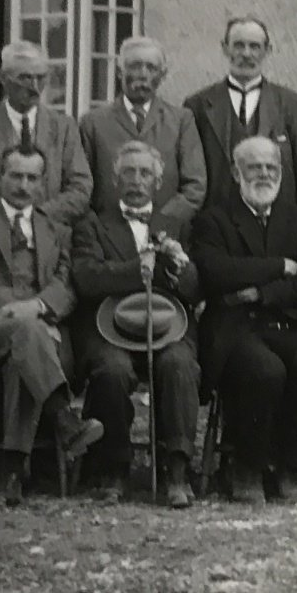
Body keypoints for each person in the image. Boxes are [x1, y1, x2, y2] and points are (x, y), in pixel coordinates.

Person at [0, 143, 105, 507]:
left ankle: (10, 474)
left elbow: (66, 285)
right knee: (29, 335)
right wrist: (18, 310)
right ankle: (64, 418)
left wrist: (38, 306)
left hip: (36, 333)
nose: (23, 185)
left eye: (32, 178)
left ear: (43, 184)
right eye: (15, 175)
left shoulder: (57, 230)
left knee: (24, 355)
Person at [190, 136, 297, 503]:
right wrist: (278, 266)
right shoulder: (214, 219)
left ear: (282, 172)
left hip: (291, 321)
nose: (264, 174)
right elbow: (216, 271)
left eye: (271, 167)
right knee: (266, 370)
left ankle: (292, 468)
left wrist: (260, 292)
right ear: (237, 173)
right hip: (237, 327)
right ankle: (247, 468)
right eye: (254, 167)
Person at [70, 142, 203, 508]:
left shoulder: (176, 224)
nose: (137, 181)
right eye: (128, 172)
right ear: (114, 180)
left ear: (158, 182)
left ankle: (177, 469)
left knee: (180, 364)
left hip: (166, 325)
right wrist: (137, 270)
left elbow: (196, 289)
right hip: (108, 326)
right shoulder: (92, 225)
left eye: (145, 173)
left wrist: (179, 268)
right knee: (111, 369)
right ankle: (115, 467)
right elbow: (87, 278)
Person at [183, 16, 297, 211]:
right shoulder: (198, 105)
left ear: (267, 50)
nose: (246, 54)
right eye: (238, 46)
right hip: (216, 224)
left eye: (254, 46)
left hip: (277, 224)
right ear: (225, 48)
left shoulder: (292, 104)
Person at [0, 42, 93, 225]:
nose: (35, 87)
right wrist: (11, 219)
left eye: (41, 78)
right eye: (25, 78)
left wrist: (39, 218)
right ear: (4, 78)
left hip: (53, 238)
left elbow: (80, 187)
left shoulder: (64, 128)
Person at [79, 36, 207, 225]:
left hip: (166, 234)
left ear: (162, 75)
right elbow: (83, 185)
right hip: (107, 235)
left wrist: (163, 220)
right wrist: (100, 228)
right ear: (120, 71)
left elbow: (195, 186)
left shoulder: (181, 121)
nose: (142, 74)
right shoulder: (94, 123)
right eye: (135, 66)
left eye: (151, 68)